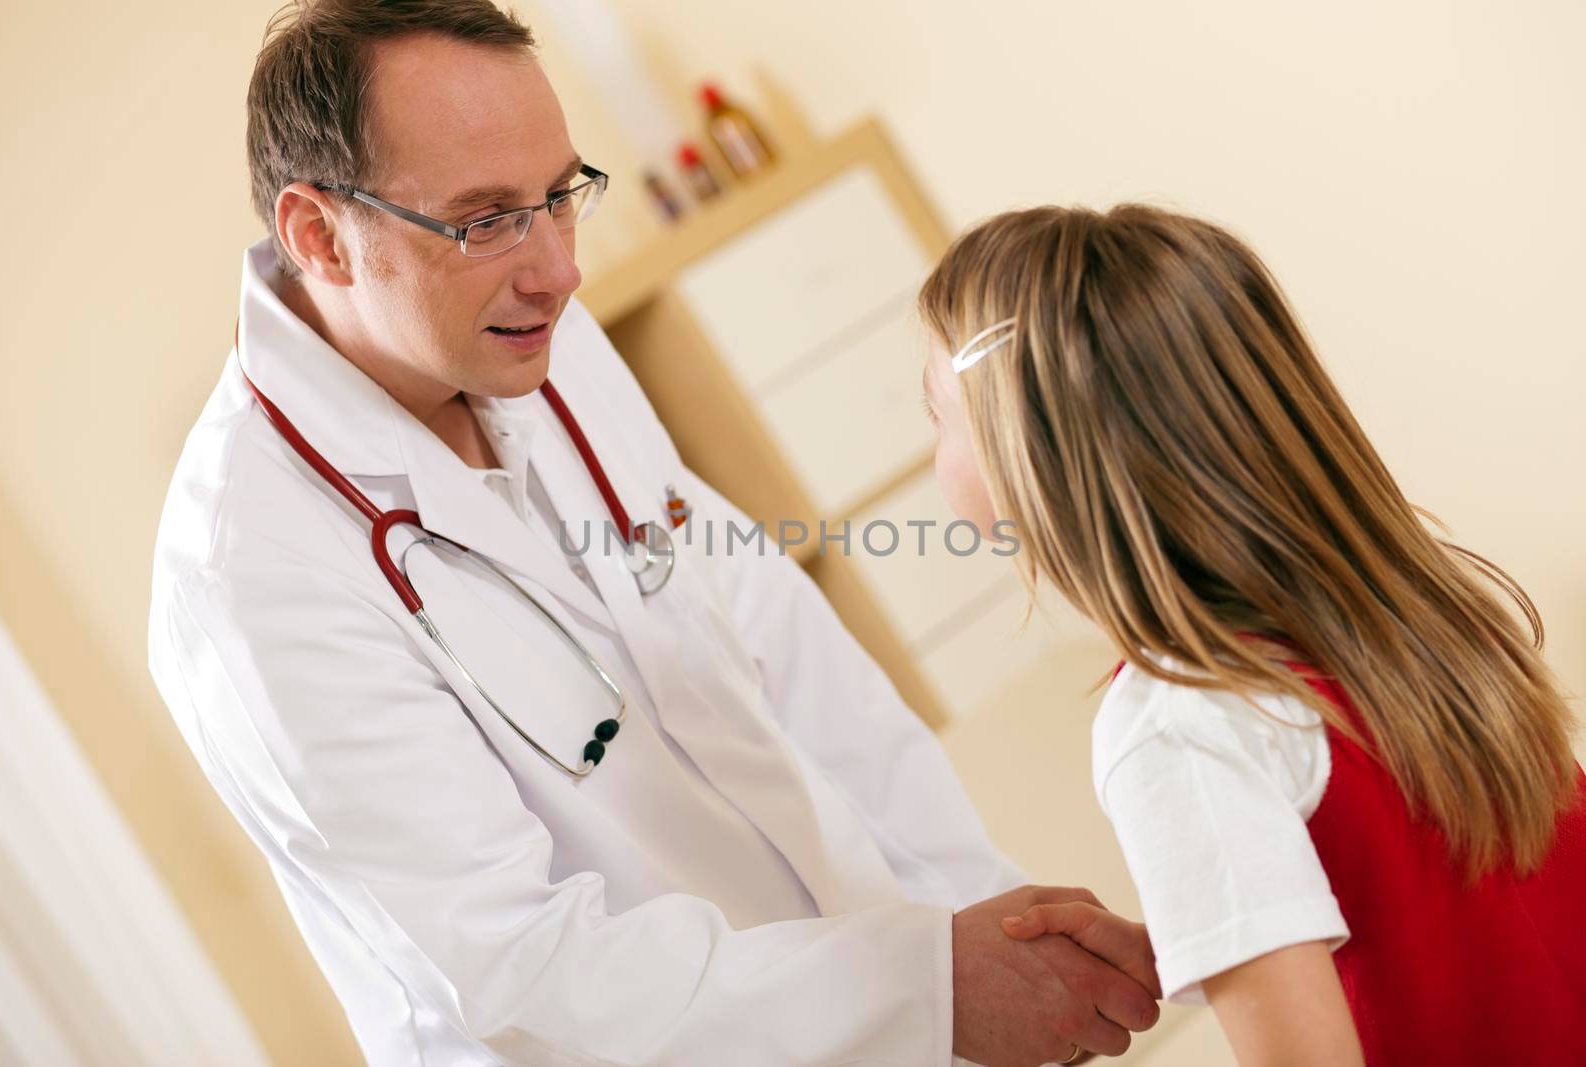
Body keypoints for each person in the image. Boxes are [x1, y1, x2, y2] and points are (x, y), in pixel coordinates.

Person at [147, 3, 1161, 1065]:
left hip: (868, 984)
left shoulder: (532, 329)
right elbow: (520, 973)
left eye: (558, 197)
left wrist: (981, 916)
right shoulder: (253, 577)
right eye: (484, 218)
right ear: (319, 235)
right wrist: (925, 987)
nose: (559, 270)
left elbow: (782, 643)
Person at [915, 203, 1586, 1066]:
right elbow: (1450, 906)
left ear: (1024, 451)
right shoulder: (1403, 609)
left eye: (936, 412)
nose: (933, 439)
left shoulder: (1177, 725)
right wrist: (1216, 925)